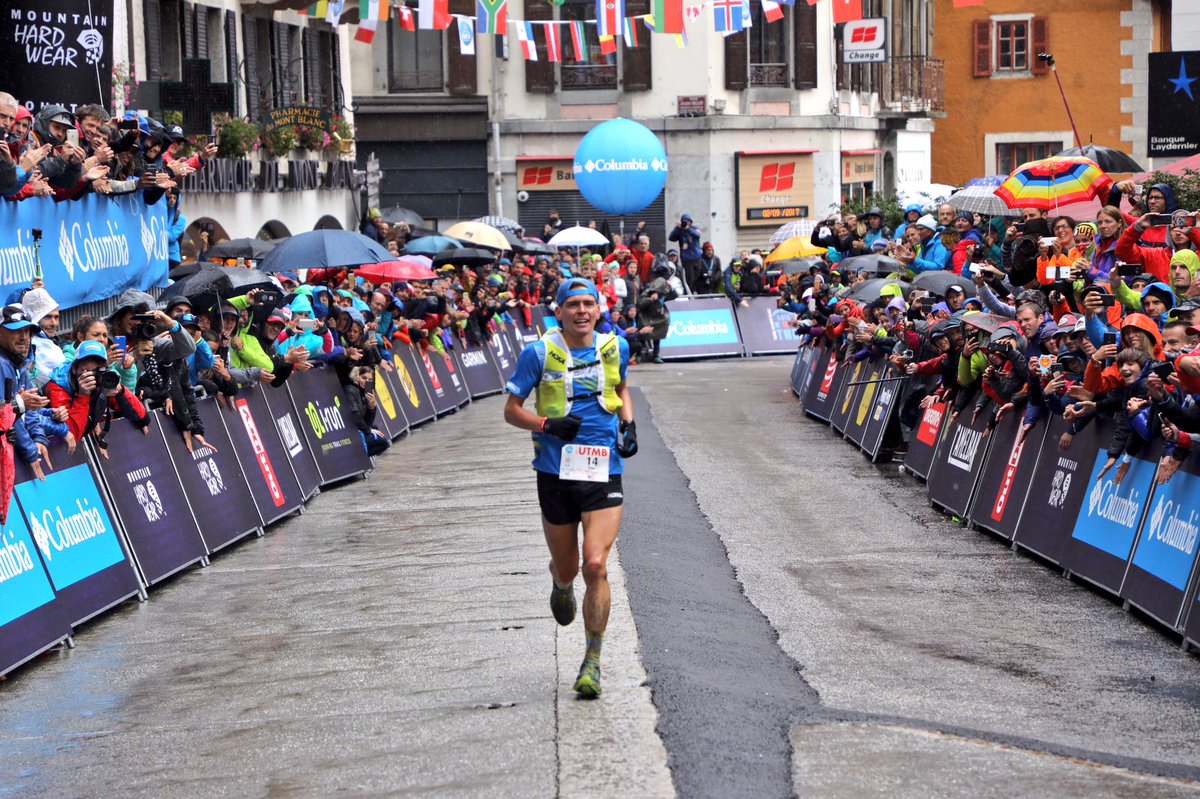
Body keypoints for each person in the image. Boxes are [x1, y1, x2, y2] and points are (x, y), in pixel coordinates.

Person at [502, 277, 637, 699]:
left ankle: (592, 662)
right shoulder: (538, 353)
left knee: (595, 564)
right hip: (555, 472)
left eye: (588, 304)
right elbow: (511, 411)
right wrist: (547, 424)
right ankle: (560, 584)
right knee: (568, 568)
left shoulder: (616, 347)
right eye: (573, 305)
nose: (582, 311)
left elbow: (619, 387)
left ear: (599, 310)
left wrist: (629, 423)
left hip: (603, 469)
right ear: (558, 311)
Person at [668, 214, 703, 293]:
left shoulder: (695, 229)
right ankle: (688, 293)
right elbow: (671, 238)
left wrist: (687, 229)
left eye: (687, 222)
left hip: (697, 257)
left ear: (690, 222)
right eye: (684, 222)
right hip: (687, 259)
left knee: (696, 277)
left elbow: (697, 235)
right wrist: (677, 228)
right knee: (689, 278)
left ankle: (693, 292)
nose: (686, 223)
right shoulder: (680, 231)